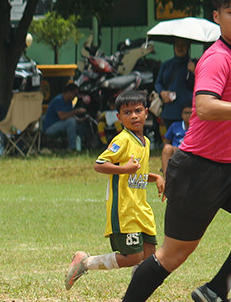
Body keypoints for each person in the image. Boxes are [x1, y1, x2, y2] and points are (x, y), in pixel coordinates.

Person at [99, 0, 231, 302]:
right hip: (197, 170)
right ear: (217, 17)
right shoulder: (218, 58)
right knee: (171, 255)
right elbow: (204, 107)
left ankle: (216, 290)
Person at [65, 90, 165, 290]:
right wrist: (124, 168)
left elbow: (136, 174)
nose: (134, 116)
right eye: (127, 113)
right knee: (133, 257)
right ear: (119, 118)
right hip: (125, 210)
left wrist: (156, 177)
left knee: (148, 256)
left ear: (146, 113)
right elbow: (99, 164)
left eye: (138, 111)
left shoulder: (144, 142)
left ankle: (134, 300)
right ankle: (85, 262)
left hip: (141, 209)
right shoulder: (123, 139)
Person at [154, 37, 196, 131]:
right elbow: (158, 83)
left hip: (187, 111)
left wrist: (194, 72)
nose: (180, 48)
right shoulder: (166, 64)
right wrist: (162, 92)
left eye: (183, 45)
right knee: (170, 139)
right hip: (169, 110)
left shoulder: (194, 64)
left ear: (188, 47)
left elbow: (200, 84)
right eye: (177, 45)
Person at [43, 82, 87, 151]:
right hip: (50, 127)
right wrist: (76, 111)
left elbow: (70, 114)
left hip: (60, 124)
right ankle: (72, 147)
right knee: (71, 122)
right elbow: (62, 117)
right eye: (74, 94)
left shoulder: (68, 102)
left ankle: (82, 145)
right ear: (69, 92)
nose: (75, 97)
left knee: (78, 124)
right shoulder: (59, 100)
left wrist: (79, 120)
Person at [161, 104, 192, 173]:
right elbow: (167, 141)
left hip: (190, 151)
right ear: (181, 114)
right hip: (175, 151)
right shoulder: (175, 125)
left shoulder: (197, 127)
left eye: (190, 113)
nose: (188, 115)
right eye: (186, 113)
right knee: (167, 148)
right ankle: (166, 179)